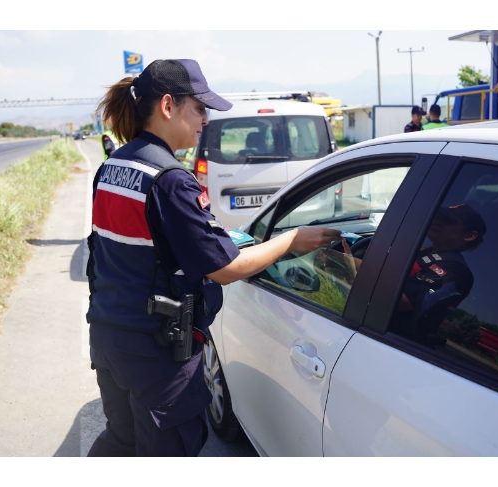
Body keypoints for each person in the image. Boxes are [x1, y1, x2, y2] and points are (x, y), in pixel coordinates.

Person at [85, 58, 341, 457]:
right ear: (168, 106)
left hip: (108, 335)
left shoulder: (113, 167)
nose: (205, 118)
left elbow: (135, 247)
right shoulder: (168, 180)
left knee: (122, 441)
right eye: (200, 107)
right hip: (155, 351)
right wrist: (291, 240)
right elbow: (226, 268)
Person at [389, 203, 487, 346]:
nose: (437, 221)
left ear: (469, 235)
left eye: (448, 220)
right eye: (438, 217)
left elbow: (402, 302)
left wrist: (351, 268)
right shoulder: (421, 251)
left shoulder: (456, 272)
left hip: (399, 343)